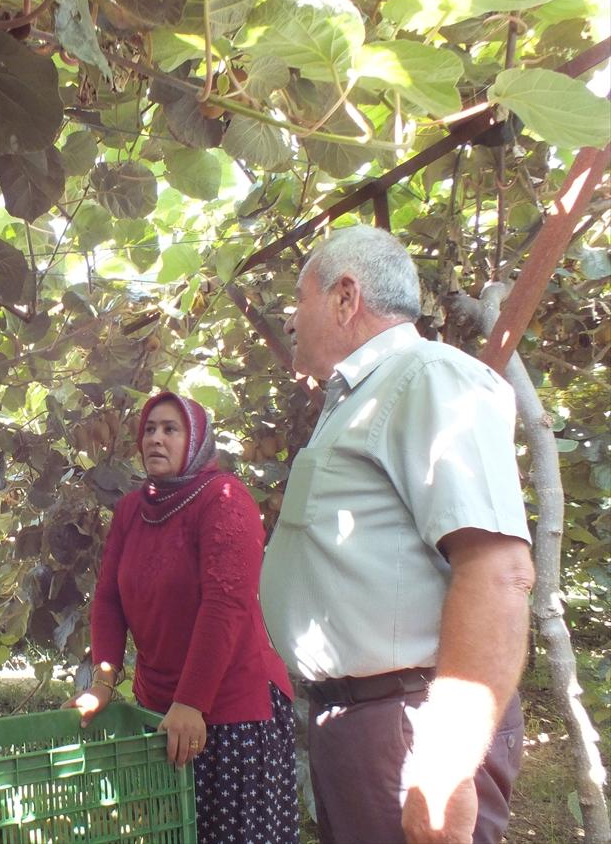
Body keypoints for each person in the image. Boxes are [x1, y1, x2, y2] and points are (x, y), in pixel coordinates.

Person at [259, 224, 535, 844]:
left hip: (408, 724)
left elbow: (498, 571)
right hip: (362, 719)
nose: (290, 317)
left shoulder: (428, 378)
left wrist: (444, 763)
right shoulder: (366, 396)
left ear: (344, 296)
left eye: (299, 298)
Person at [68, 392, 299, 843]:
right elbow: (109, 600)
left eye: (171, 429)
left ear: (195, 440)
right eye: (150, 429)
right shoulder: (132, 510)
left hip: (232, 710)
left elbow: (225, 605)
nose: (156, 438)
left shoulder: (225, 499)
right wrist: (101, 683)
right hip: (160, 709)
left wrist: (192, 702)